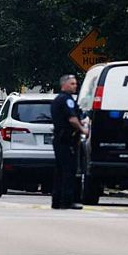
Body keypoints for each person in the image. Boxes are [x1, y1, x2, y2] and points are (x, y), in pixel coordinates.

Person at [51, 74, 89, 210]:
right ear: (64, 85)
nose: (75, 86)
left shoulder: (58, 99)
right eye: (72, 84)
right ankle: (67, 200)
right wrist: (83, 130)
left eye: (75, 84)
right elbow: (72, 119)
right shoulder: (66, 100)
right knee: (69, 171)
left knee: (60, 171)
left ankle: (57, 201)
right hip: (67, 140)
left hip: (60, 139)